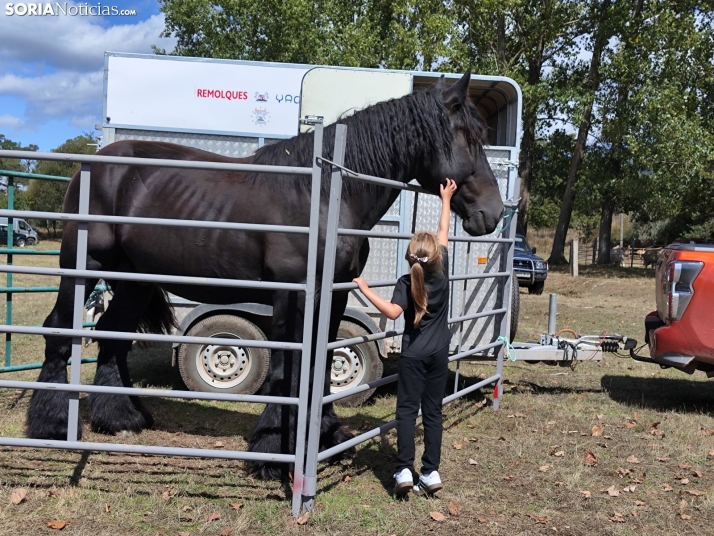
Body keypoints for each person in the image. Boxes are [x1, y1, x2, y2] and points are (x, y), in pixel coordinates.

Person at [353, 178, 457, 497]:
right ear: (437, 256)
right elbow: (444, 233)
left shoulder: (405, 281)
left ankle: (403, 471)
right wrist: (445, 200)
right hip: (439, 354)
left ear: (410, 257)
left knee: (407, 413)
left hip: (412, 356)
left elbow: (394, 313)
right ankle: (431, 472)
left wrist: (366, 290)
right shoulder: (442, 271)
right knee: (434, 412)